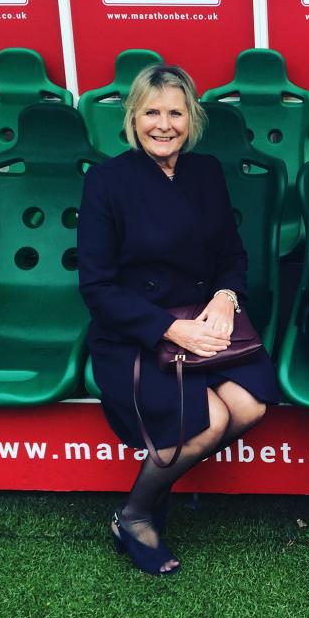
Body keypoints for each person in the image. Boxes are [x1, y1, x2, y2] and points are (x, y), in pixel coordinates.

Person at [78, 64, 279, 576]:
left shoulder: (206, 171)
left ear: (191, 119)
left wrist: (227, 296)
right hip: (137, 333)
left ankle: (159, 478)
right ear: (133, 117)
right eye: (151, 112)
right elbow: (96, 288)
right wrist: (167, 328)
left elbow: (232, 255)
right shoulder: (106, 181)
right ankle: (135, 514)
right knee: (208, 421)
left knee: (251, 406)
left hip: (205, 322)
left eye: (175, 112)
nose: (163, 125)